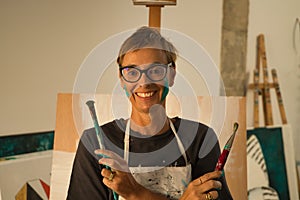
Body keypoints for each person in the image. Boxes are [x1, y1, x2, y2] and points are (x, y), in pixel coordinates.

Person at [67, 26, 233, 200]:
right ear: (122, 79)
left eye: (155, 71)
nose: (144, 82)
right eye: (132, 72)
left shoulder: (200, 139)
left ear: (172, 74)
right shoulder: (96, 143)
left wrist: (136, 193)